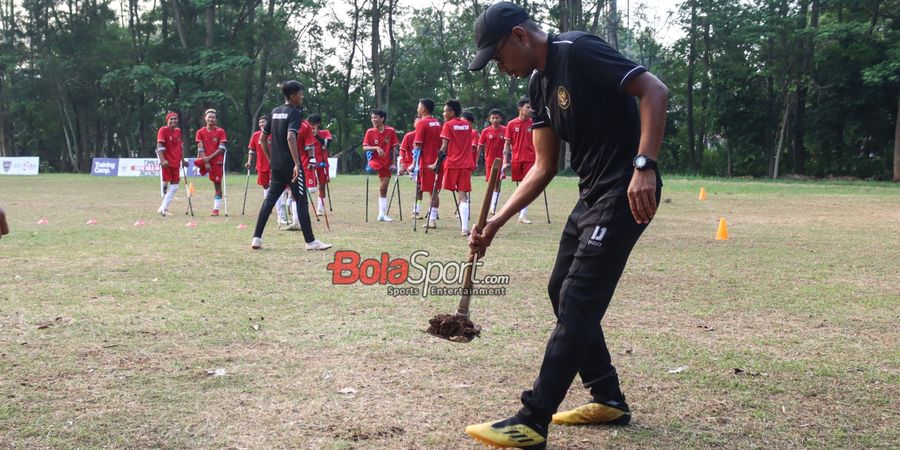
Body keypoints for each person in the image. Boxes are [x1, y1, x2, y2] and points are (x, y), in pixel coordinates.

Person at [464, 3, 668, 449]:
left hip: (625, 190)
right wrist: (497, 221)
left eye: (498, 57)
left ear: (519, 36)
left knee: (577, 298)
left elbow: (654, 90)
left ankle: (532, 419)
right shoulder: (538, 84)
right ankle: (608, 397)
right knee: (561, 288)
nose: (500, 69)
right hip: (592, 194)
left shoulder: (576, 50)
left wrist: (644, 164)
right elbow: (543, 166)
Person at [251, 80, 331, 251]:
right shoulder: (294, 113)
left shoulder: (274, 112)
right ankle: (311, 242)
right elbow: (290, 137)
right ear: (293, 96)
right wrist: (296, 163)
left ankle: (256, 238)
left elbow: (262, 140)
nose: (302, 97)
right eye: (301, 94)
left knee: (269, 201)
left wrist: (271, 159)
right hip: (292, 167)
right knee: (301, 201)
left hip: (277, 166)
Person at [431, 100, 475, 236]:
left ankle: (432, 218)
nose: (443, 113)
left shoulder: (448, 125)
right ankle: (464, 228)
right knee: (463, 195)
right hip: (467, 163)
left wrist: (436, 163)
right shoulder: (468, 125)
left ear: (452, 112)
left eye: (445, 111)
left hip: (452, 163)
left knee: (437, 189)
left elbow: (444, 147)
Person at [246, 117, 289, 225]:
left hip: (274, 165)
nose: (261, 123)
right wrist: (249, 162)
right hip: (261, 165)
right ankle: (268, 207)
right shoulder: (256, 135)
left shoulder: (275, 133)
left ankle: (281, 216)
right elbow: (252, 150)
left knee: (275, 189)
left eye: (263, 122)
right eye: (259, 122)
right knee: (266, 187)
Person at [362, 109, 399, 222]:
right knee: (371, 168)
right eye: (372, 117)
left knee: (383, 189)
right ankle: (370, 167)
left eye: (375, 117)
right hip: (374, 161)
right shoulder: (370, 132)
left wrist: (393, 163)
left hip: (386, 162)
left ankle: (382, 214)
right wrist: (376, 148)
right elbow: (364, 147)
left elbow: (394, 147)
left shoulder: (391, 131)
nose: (373, 120)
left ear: (382, 118)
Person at [504, 97, 536, 224]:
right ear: (520, 108)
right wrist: (505, 161)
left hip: (530, 158)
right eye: (528, 107)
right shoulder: (511, 124)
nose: (530, 110)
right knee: (519, 186)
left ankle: (523, 214)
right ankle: (519, 210)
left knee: (526, 185)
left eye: (531, 108)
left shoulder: (534, 123)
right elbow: (507, 144)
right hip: (516, 158)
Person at [412, 98, 443, 227]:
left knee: (432, 191)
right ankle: (432, 217)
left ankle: (432, 220)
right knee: (434, 190)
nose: (417, 108)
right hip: (438, 159)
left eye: (419, 106)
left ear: (423, 108)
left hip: (428, 161)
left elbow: (418, 145)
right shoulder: (437, 123)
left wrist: (413, 164)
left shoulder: (422, 123)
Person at [194, 109, 228, 216]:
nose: (211, 119)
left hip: (217, 161)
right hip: (204, 159)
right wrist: (206, 161)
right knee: (196, 162)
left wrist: (208, 159)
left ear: (216, 119)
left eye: (213, 117)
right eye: (209, 117)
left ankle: (216, 210)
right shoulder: (200, 132)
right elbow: (200, 149)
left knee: (217, 185)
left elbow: (222, 148)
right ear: (205, 118)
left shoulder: (220, 131)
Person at [155, 112, 187, 216]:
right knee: (166, 183)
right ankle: (163, 207)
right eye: (171, 119)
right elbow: (159, 146)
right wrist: (162, 160)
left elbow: (180, 147)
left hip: (176, 162)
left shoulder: (178, 131)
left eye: (175, 119)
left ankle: (163, 207)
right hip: (167, 162)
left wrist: (183, 160)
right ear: (167, 120)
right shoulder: (163, 130)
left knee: (175, 186)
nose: (173, 121)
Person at [478, 108, 508, 212]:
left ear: (501, 119)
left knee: (497, 184)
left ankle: (493, 207)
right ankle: (489, 204)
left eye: (497, 118)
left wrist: (507, 160)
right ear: (489, 119)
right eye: (493, 118)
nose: (495, 120)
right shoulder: (485, 131)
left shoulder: (505, 130)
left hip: (500, 162)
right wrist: (477, 160)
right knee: (490, 184)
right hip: (489, 161)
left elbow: (509, 146)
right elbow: (480, 146)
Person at [308, 114, 332, 215]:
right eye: (310, 124)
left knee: (322, 185)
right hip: (310, 163)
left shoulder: (325, 132)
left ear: (318, 124)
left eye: (313, 124)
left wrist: (316, 135)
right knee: (309, 186)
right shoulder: (306, 133)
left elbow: (326, 144)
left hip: (322, 163)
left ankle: (320, 207)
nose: (311, 127)